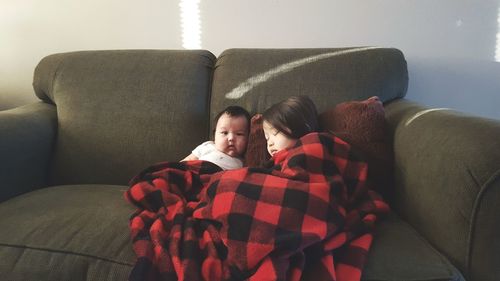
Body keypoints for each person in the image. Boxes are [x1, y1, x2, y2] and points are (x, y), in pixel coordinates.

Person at [182, 106, 251, 170]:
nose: (231, 138)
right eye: (224, 133)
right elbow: (186, 161)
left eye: (239, 134)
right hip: (195, 171)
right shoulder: (208, 146)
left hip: (219, 179)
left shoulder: (245, 160)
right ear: (214, 135)